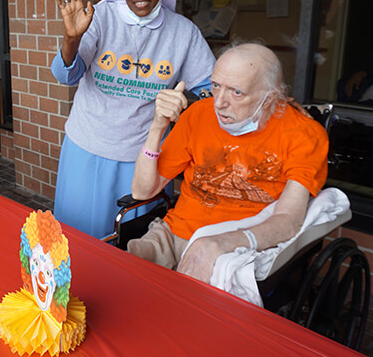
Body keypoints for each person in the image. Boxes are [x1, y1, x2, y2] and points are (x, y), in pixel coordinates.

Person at [127, 41, 328, 284]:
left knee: (186, 303)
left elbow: (289, 220)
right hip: (173, 236)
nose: (219, 102)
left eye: (236, 92)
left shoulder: (304, 135)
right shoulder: (197, 115)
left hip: (238, 247)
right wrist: (157, 127)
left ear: (269, 98)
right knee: (120, 274)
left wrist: (220, 243)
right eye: (215, 86)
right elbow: (142, 191)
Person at [51, 0, 216, 238]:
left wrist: (190, 104)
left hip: (146, 157)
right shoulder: (99, 17)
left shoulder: (183, 32)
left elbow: (212, 89)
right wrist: (71, 38)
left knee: (134, 240)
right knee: (78, 237)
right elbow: (67, 75)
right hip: (88, 148)